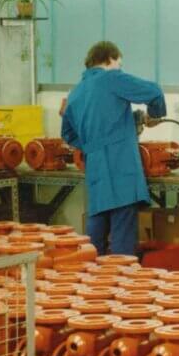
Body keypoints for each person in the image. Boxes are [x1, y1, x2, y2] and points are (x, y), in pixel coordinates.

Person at [61, 41, 166, 255]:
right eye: (119, 63)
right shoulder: (111, 78)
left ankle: (90, 284)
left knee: (95, 231)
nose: (120, 68)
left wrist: (93, 146)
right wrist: (155, 115)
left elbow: (68, 134)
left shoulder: (75, 93)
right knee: (123, 232)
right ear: (109, 59)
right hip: (120, 166)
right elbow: (154, 91)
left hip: (96, 169)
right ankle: (121, 281)